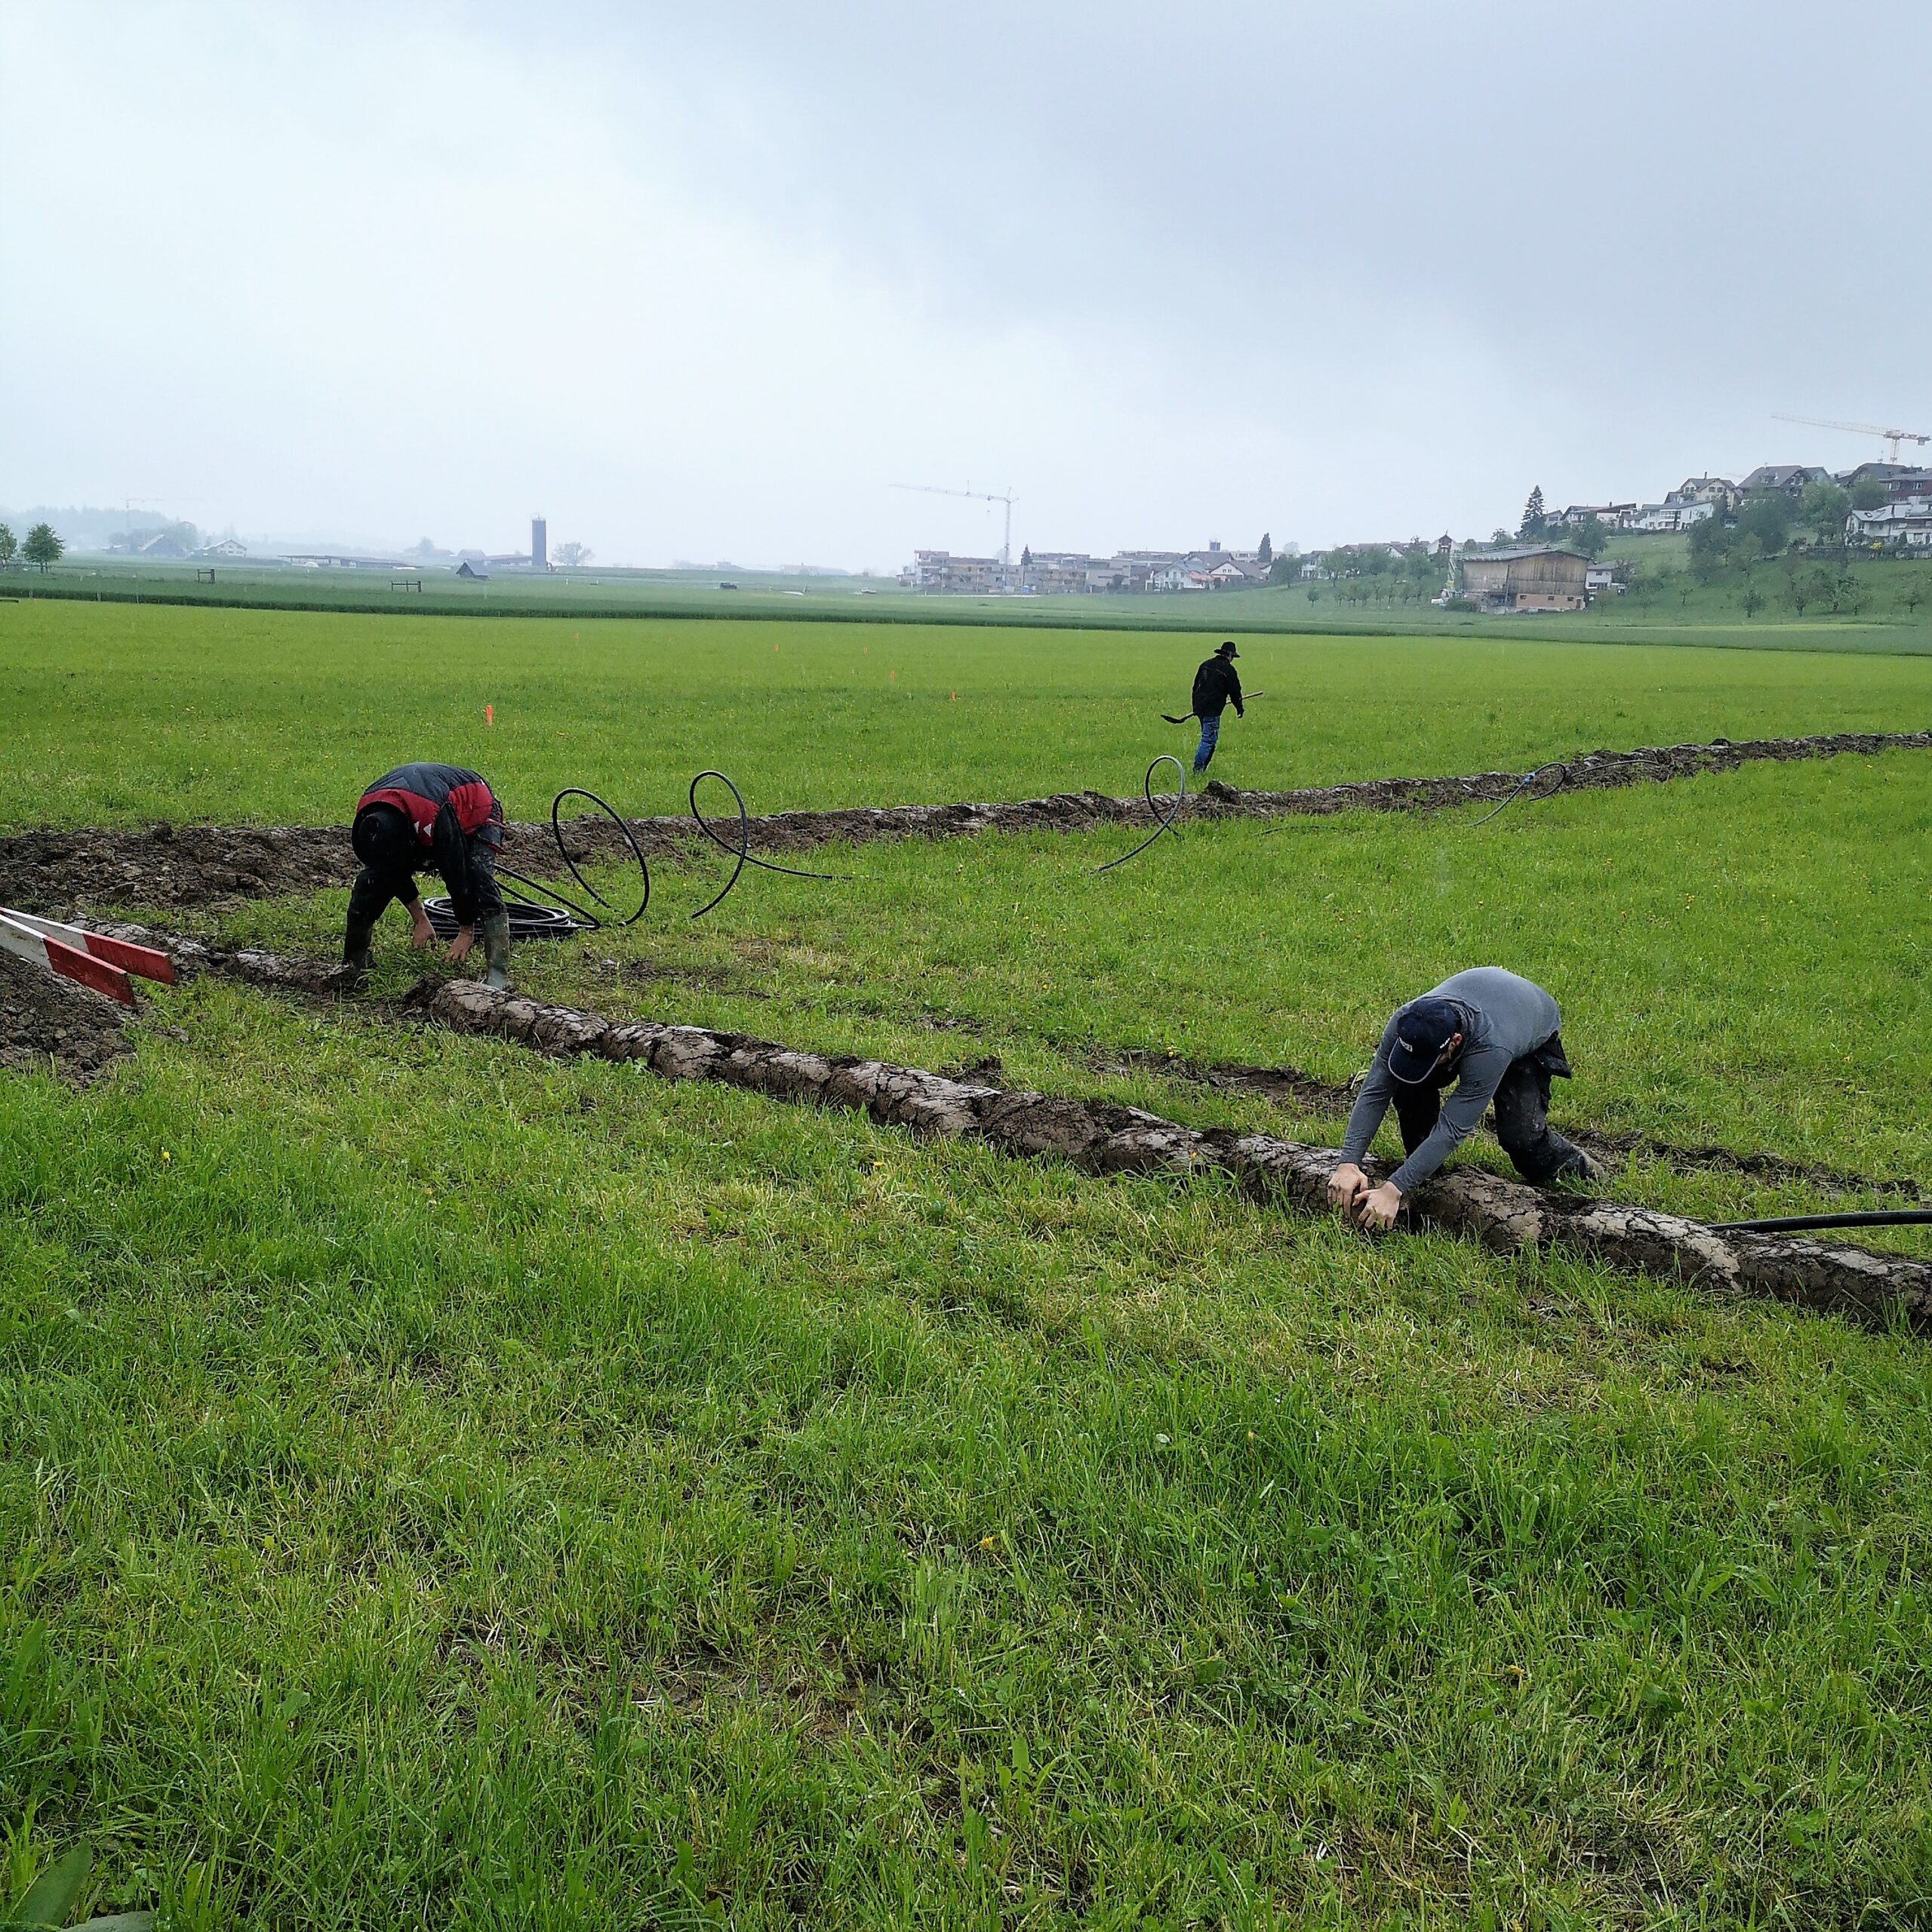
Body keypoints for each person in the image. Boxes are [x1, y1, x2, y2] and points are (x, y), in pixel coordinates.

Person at [1327, 966, 1598, 1231]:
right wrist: (1348, 1162)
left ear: (1455, 1041)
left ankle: (1585, 1172)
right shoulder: (1407, 1022)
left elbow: (1452, 1128)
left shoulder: (1491, 1049)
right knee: (1410, 1082)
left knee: (1521, 1136)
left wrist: (1393, 1188)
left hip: (1526, 1022)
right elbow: (1375, 1091)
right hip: (1484, 994)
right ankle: (1427, 1177)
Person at [343, 763, 512, 989]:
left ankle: (497, 975)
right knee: (371, 882)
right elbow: (391, 870)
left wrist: (466, 931)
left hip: (475, 808)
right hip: (420, 808)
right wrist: (420, 919)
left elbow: (456, 870)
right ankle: (354, 962)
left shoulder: (434, 818)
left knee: (478, 876)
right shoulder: (372, 819)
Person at [1187, 641, 1243, 775]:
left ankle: (1202, 769)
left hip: (1200, 708)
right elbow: (1235, 692)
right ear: (1229, 655)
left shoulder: (1205, 665)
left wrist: (1196, 707)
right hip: (1212, 710)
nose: (1232, 660)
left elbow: (1195, 688)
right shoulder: (1228, 670)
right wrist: (1239, 708)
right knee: (1208, 740)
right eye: (1232, 657)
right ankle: (1198, 771)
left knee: (1208, 739)